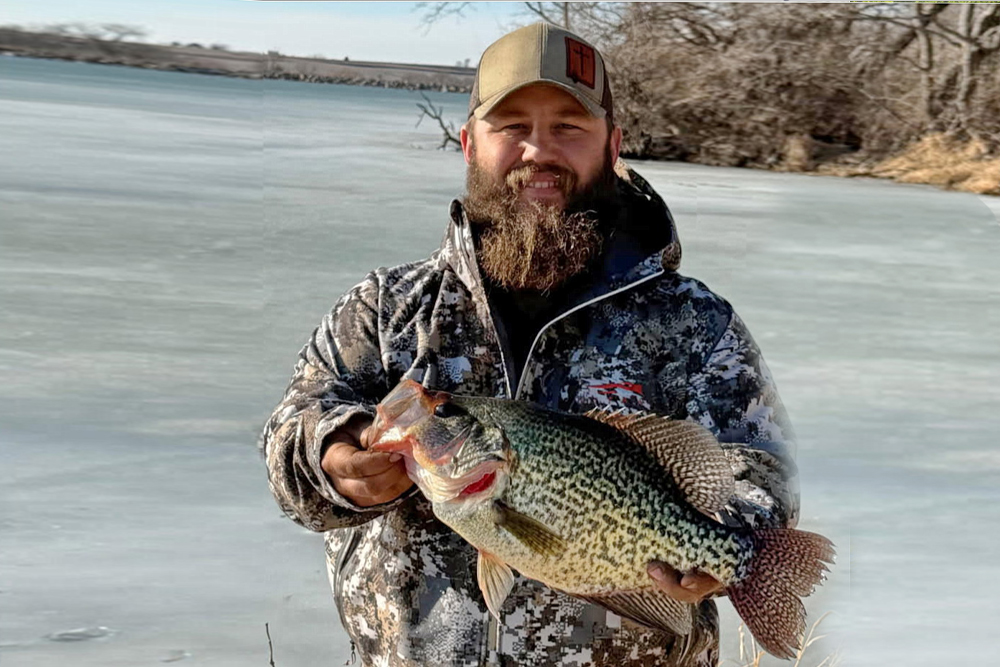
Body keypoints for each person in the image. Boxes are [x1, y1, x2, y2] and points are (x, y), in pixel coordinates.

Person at [261, 22, 799, 667]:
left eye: (568, 127)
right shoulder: (387, 307)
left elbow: (757, 466)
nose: (537, 151)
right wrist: (334, 460)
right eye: (512, 125)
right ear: (469, 144)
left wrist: (731, 536)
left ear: (613, 146)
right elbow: (294, 430)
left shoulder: (694, 324)